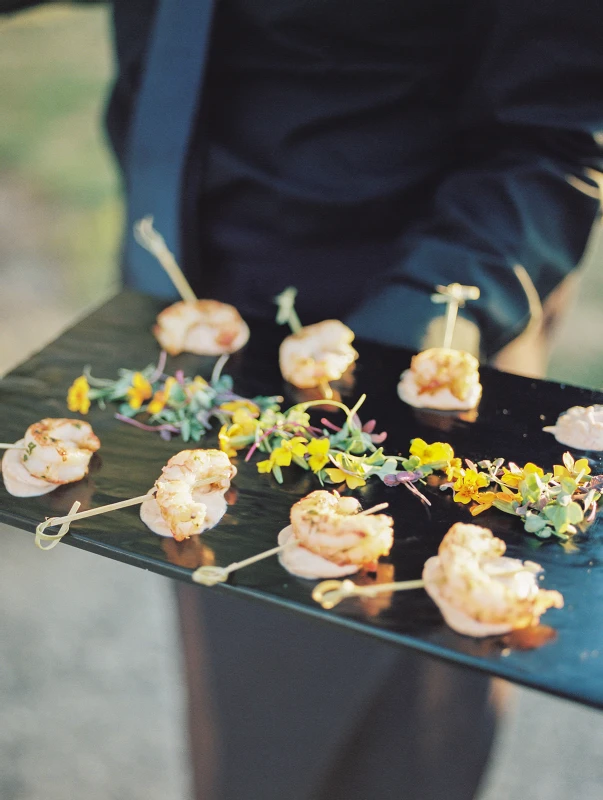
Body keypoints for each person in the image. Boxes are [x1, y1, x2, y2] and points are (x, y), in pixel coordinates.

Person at [3, 2, 602, 799]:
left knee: (393, 749)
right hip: (192, 325)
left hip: (417, 338)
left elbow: (550, 130)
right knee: (246, 730)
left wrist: (391, 361)